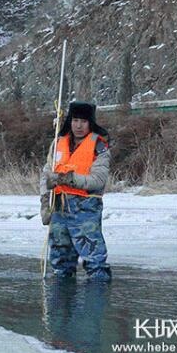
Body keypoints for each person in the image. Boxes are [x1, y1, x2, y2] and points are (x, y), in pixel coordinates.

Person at [40, 101, 112, 281]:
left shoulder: (99, 147)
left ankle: (96, 302)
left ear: (90, 123)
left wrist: (69, 179)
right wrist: (44, 202)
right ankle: (59, 302)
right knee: (60, 261)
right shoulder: (57, 143)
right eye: (75, 120)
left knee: (95, 262)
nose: (78, 125)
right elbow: (46, 173)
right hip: (58, 208)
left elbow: (98, 180)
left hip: (86, 209)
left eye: (83, 121)